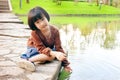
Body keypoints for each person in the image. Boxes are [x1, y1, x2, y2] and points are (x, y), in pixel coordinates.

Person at [17, 6, 72, 73]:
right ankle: (28, 60)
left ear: (46, 17)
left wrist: (66, 65)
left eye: (43, 19)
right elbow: (40, 49)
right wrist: (54, 53)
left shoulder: (55, 31)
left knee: (48, 58)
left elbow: (59, 48)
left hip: (46, 48)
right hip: (35, 48)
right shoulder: (35, 33)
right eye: (37, 22)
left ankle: (35, 60)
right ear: (34, 25)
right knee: (51, 56)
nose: (42, 23)